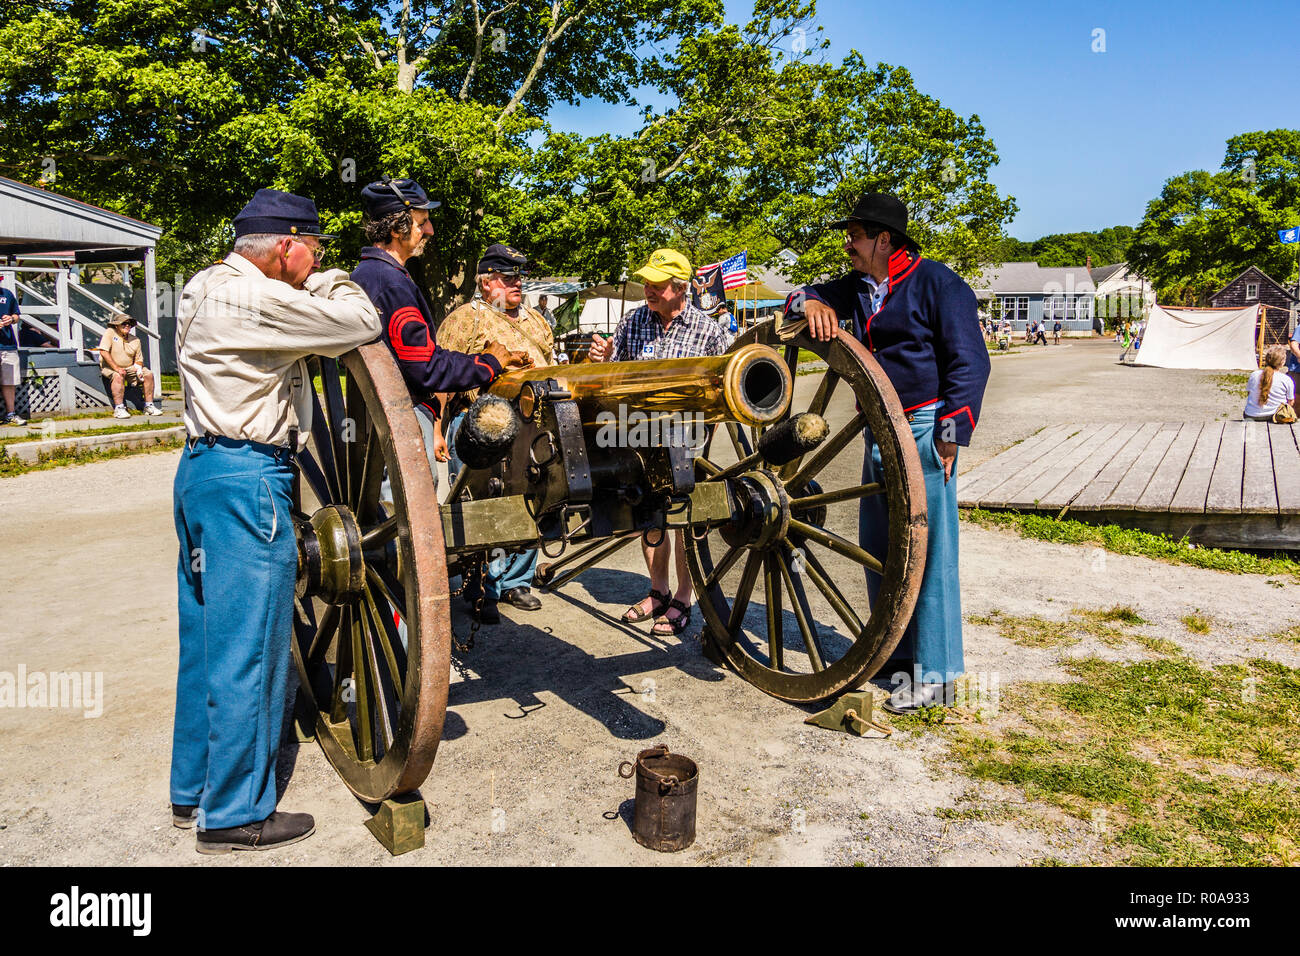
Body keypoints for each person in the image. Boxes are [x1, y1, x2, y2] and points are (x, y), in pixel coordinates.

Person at [171, 188, 382, 853]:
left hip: (202, 471)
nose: (316, 259)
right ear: (287, 247)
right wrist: (329, 278)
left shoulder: (204, 284)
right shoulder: (254, 298)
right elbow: (359, 321)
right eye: (313, 248)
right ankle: (234, 814)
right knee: (252, 649)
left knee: (207, 641)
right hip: (249, 476)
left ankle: (193, 789)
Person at [783, 192, 990, 714]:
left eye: (854, 234)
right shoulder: (856, 287)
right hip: (877, 426)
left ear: (883, 238)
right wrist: (808, 302)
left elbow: (970, 360)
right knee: (880, 545)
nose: (847, 243)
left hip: (923, 428)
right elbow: (797, 296)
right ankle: (893, 656)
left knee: (930, 551)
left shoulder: (938, 282)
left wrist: (951, 432)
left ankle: (937, 673)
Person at [350, 178, 528, 499]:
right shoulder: (391, 284)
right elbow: (426, 368)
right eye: (422, 222)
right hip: (400, 417)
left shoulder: (366, 275)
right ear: (396, 229)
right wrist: (488, 363)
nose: (429, 230)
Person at [587, 248, 730, 636]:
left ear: (680, 287)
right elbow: (611, 378)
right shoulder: (634, 321)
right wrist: (602, 358)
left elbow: (723, 393)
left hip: (687, 437)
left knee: (682, 518)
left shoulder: (709, 330)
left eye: (657, 284)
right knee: (648, 513)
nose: (648, 289)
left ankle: (684, 596)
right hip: (640, 434)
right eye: (647, 282)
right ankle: (658, 589)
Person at [437, 243, 554, 619]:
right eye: (507, 277)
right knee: (479, 506)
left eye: (519, 276)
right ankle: (480, 587)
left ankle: (516, 582)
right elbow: (443, 379)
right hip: (478, 426)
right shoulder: (464, 320)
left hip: (530, 427)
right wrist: (438, 429)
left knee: (530, 501)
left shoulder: (537, 322)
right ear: (486, 283)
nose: (516, 283)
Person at [97, 310, 163, 417]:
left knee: (148, 374)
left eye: (129, 324)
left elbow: (139, 360)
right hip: (110, 367)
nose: (127, 325)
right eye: (124, 323)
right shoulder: (110, 332)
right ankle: (119, 408)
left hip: (130, 368)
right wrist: (117, 368)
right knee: (118, 375)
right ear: (117, 325)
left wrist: (139, 370)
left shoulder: (135, 340)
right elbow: (103, 351)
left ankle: (149, 406)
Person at [1244, 346, 1296, 422]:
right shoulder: (1286, 379)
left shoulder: (1254, 375)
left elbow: (1249, 393)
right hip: (1274, 416)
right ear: (1282, 362)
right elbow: (1290, 402)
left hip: (1251, 414)